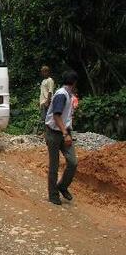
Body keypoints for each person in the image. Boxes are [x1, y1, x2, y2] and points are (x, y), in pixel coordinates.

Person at [45, 70, 78, 206]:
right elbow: (56, 115)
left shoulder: (69, 94)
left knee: (73, 162)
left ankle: (62, 186)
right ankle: (53, 195)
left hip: (64, 131)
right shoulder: (61, 95)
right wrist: (65, 134)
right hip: (54, 133)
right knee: (54, 165)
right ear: (74, 83)